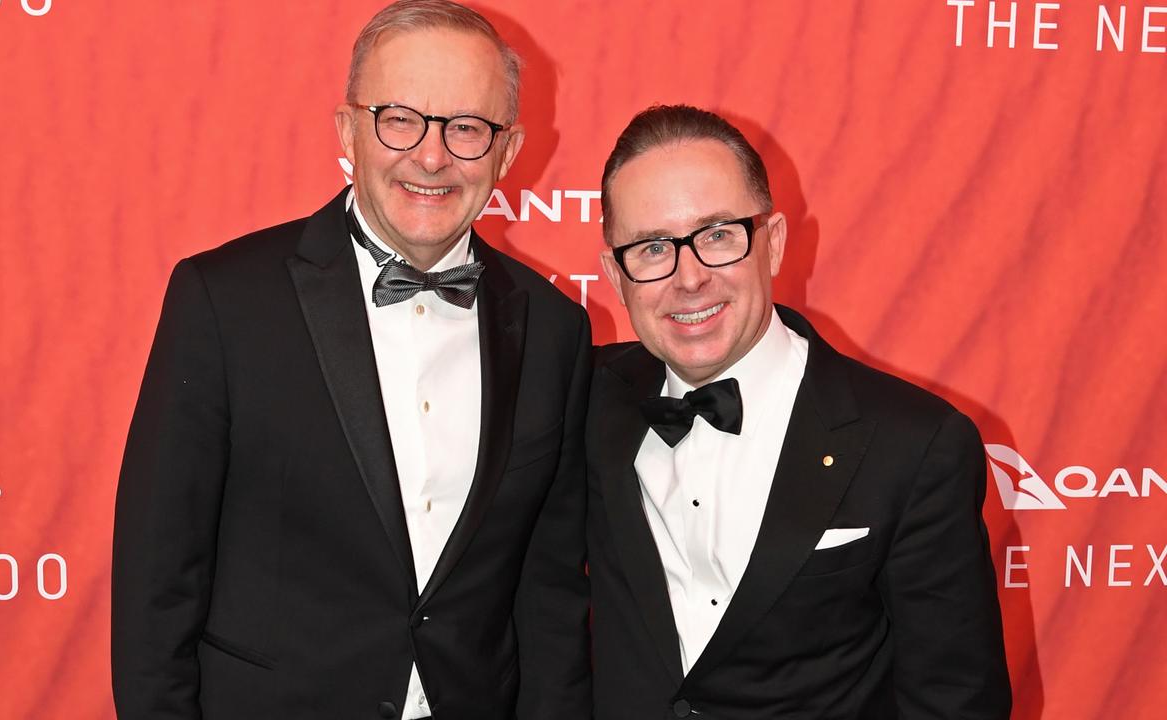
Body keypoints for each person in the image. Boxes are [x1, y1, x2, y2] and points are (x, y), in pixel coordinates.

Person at [111, 2, 592, 718]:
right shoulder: (225, 301)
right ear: (349, 130)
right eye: (400, 119)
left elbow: (549, 598)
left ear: (508, 151)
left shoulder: (556, 331)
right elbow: (158, 582)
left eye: (467, 128)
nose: (431, 157)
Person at [588, 104, 1011, 719]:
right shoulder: (585, 398)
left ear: (774, 242)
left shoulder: (914, 444)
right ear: (614, 273)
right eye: (653, 248)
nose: (689, 278)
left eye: (717, 236)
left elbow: (955, 701)